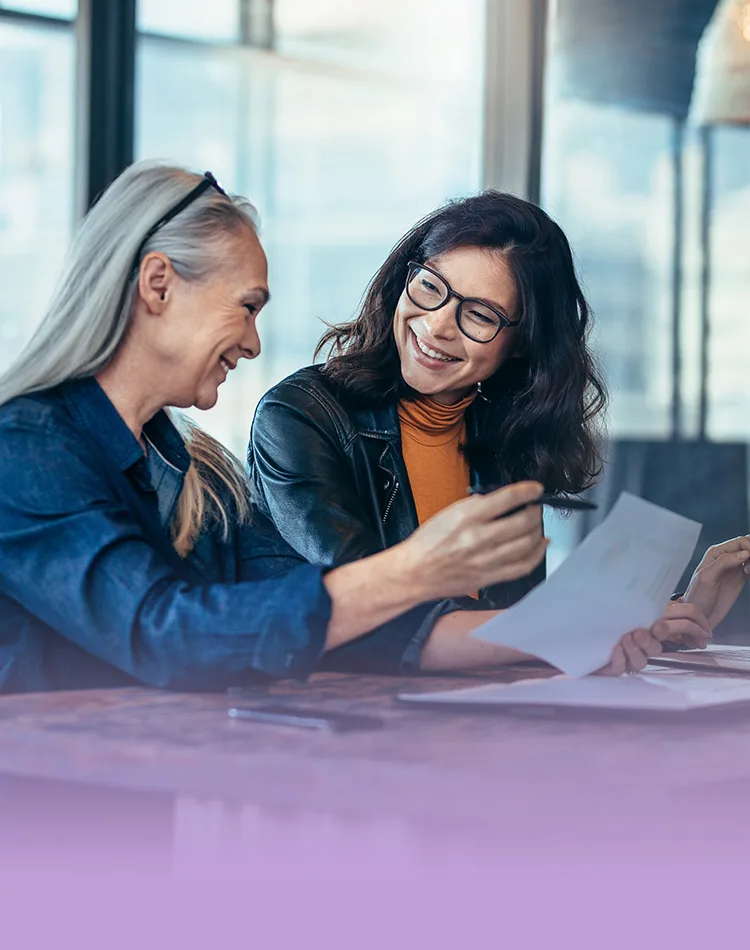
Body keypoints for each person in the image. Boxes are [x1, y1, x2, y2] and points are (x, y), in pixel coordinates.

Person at [0, 163, 707, 694]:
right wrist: (417, 568)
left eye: (481, 315)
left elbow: (333, 628)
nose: (252, 342)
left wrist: (581, 631)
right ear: (158, 284)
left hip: (151, 807)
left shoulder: (198, 470)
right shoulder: (25, 446)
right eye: (246, 307)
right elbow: (168, 632)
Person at [248, 189, 745, 641]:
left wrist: (662, 616)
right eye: (430, 286)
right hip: (340, 715)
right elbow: (371, 613)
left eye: (481, 315)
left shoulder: (506, 436)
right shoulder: (301, 415)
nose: (438, 325)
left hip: (473, 715)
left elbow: (523, 628)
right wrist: (588, 622)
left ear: (523, 345)